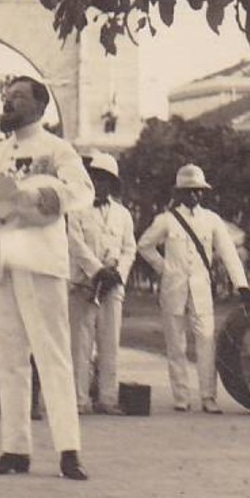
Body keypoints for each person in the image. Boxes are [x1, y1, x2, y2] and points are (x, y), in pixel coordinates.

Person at [0, 76, 93, 479]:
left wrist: (38, 196)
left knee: (52, 355)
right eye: (7, 97)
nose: (9, 103)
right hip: (2, 258)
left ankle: (68, 449)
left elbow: (81, 191)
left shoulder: (56, 149)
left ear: (40, 107)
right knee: (9, 358)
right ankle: (15, 448)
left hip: (40, 257)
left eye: (18, 97)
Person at [136, 163, 250, 413]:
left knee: (206, 342)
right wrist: (164, 267)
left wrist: (241, 285)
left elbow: (228, 253)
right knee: (176, 344)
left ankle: (208, 396)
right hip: (174, 289)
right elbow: (145, 245)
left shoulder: (211, 220)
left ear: (204, 193)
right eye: (188, 191)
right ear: (178, 193)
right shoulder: (166, 220)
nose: (194, 195)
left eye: (198, 190)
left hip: (201, 290)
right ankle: (181, 396)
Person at [66, 151, 137, 416]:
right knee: (80, 343)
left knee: (109, 343)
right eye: (96, 178)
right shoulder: (76, 210)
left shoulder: (123, 214)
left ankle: (108, 397)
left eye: (106, 179)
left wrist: (118, 273)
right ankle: (79, 399)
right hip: (84, 283)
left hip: (112, 286)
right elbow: (75, 244)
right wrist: (97, 271)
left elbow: (130, 248)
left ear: (113, 184)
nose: (100, 184)